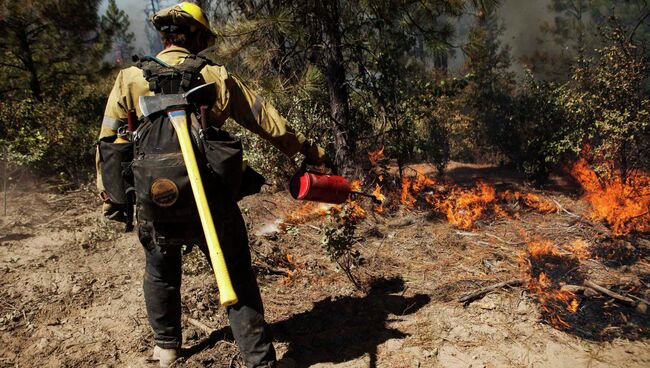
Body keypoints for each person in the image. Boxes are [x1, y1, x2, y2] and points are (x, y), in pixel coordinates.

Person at [96, 3, 329, 367]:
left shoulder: (129, 78)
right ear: (197, 36)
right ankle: (260, 360)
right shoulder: (215, 75)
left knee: (160, 272)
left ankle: (167, 347)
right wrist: (308, 150)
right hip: (211, 201)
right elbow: (267, 121)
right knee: (235, 273)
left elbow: (109, 142)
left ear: (164, 37)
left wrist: (113, 199)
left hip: (155, 200)